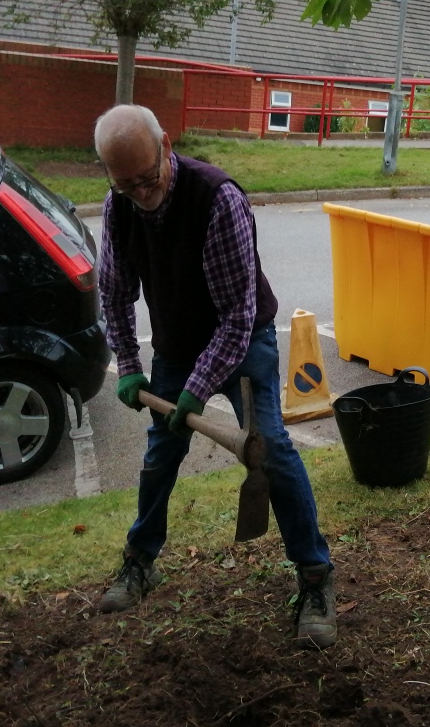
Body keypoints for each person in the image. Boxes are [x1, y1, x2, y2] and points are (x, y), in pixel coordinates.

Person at [93, 104, 336, 649]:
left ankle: (316, 577)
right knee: (161, 453)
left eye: (148, 178)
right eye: (126, 184)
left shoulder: (218, 199)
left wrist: (195, 392)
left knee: (268, 445)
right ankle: (140, 561)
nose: (141, 193)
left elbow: (236, 316)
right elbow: (113, 292)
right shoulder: (119, 205)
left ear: (166, 144)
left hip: (242, 336)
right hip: (178, 344)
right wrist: (131, 366)